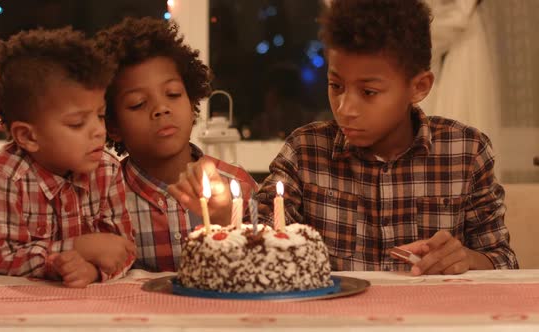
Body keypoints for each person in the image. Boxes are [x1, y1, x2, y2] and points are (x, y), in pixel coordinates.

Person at [253, 0, 518, 274]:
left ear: (419, 87)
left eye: (368, 92)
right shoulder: (305, 152)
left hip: (428, 315)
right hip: (332, 314)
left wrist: (465, 258)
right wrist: (231, 214)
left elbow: (503, 261)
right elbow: (258, 235)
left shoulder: (466, 151)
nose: (345, 108)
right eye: (336, 86)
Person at [0, 27, 136, 287]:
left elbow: (122, 249)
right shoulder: (1, 177)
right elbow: (1, 260)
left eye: (100, 115)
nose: (99, 131)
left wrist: (92, 271)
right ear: (28, 137)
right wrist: (79, 247)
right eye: (77, 123)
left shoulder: (107, 169)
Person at [95, 17, 257, 272]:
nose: (161, 109)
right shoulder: (102, 199)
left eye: (173, 94)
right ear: (113, 125)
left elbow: (263, 271)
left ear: (192, 102)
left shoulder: (239, 186)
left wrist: (226, 221)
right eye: (138, 103)